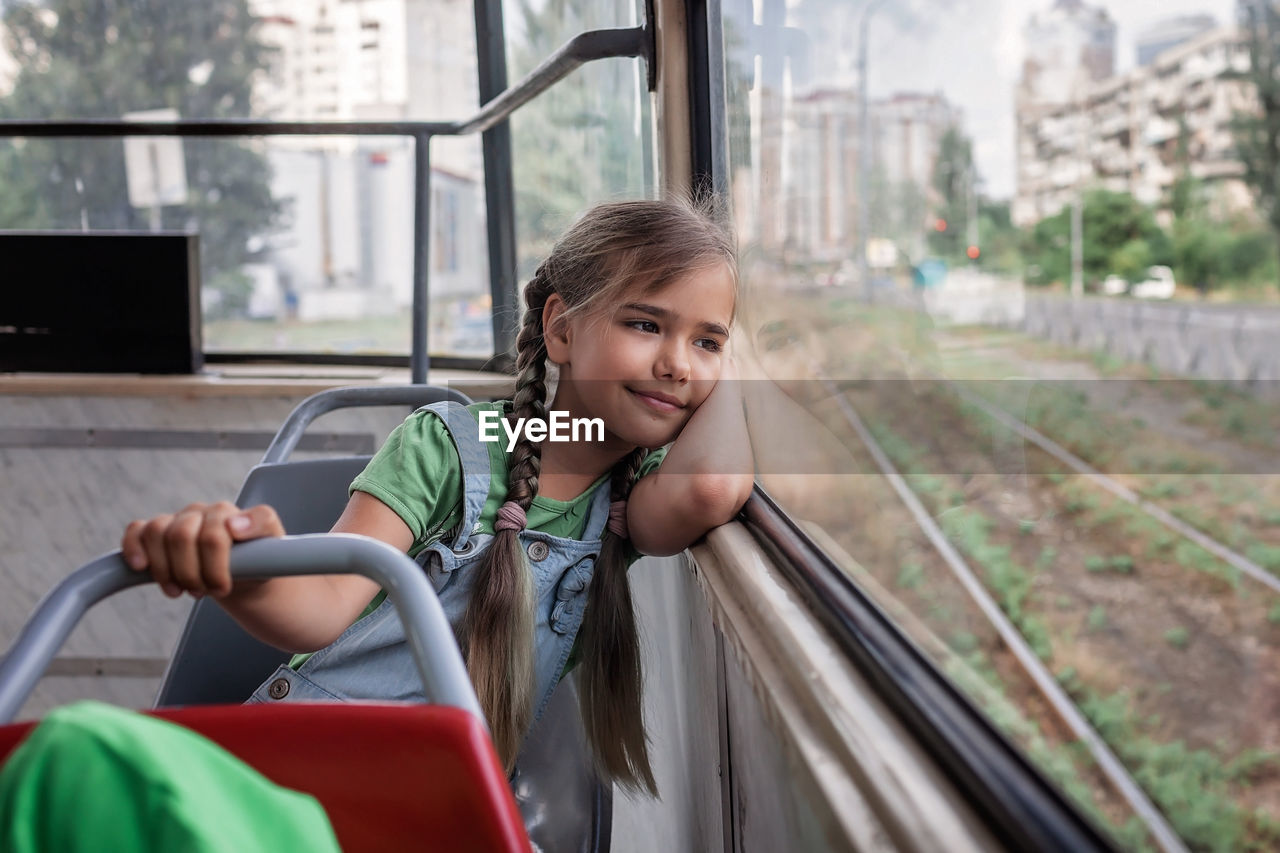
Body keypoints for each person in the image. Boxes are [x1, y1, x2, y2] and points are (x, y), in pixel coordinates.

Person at [116, 196, 753, 795]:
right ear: (561, 328)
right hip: (304, 774)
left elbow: (711, 488)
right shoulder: (450, 448)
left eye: (707, 342)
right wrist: (241, 567)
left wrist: (735, 359)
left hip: (441, 799)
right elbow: (323, 605)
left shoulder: (638, 491)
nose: (678, 365)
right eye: (645, 324)